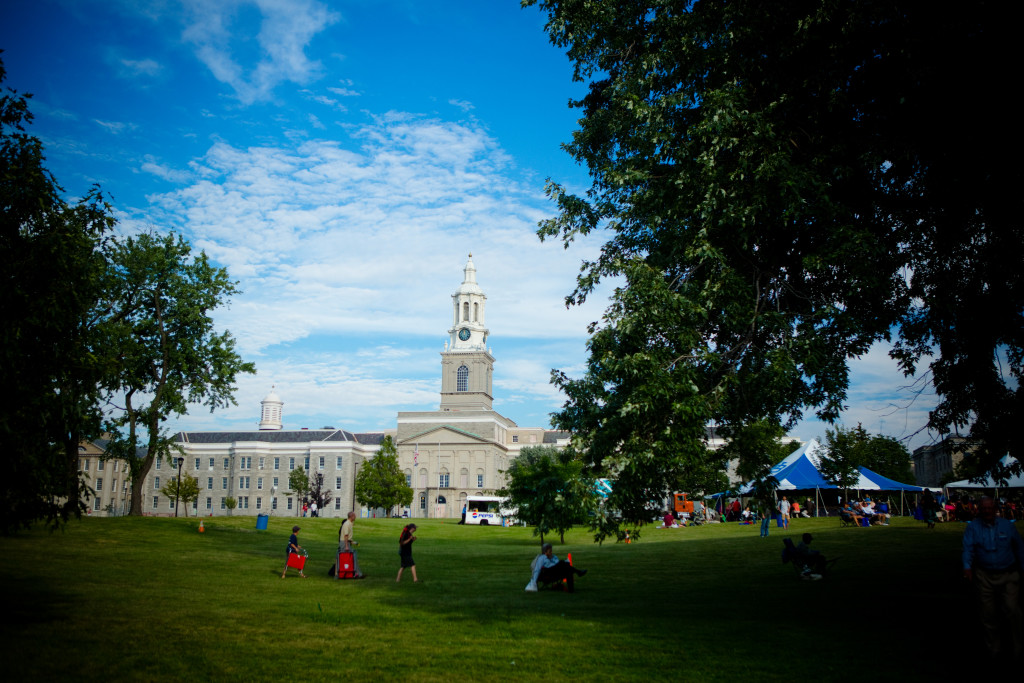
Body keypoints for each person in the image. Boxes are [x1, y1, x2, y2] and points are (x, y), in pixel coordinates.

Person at [962, 496, 1024, 659]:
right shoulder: (973, 527)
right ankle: (994, 650)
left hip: (1008, 573)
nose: (987, 511)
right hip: (984, 575)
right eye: (984, 509)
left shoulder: (1006, 526)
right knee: (987, 614)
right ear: (979, 510)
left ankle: (1018, 647)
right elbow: (968, 548)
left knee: (1012, 610)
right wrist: (967, 567)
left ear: (995, 509)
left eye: (990, 508)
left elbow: (1019, 547)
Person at [339, 511, 364, 578]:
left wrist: (352, 542)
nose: (355, 517)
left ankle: (357, 573)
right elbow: (346, 536)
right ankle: (356, 574)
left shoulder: (350, 523)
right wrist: (347, 546)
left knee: (352, 558)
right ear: (351, 516)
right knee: (350, 558)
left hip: (347, 542)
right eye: (355, 516)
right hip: (344, 543)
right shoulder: (347, 524)